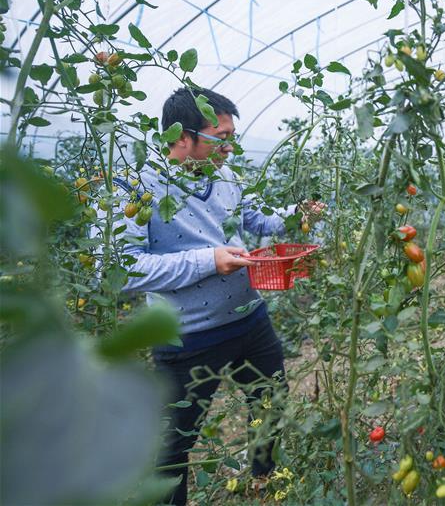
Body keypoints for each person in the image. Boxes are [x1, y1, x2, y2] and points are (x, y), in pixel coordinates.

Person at [116, 87, 322, 506]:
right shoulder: (137, 185)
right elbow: (121, 270)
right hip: (187, 336)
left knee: (270, 404)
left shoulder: (225, 175)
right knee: (175, 445)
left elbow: (256, 219)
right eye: (220, 137)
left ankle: (265, 480)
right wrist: (208, 260)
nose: (229, 147)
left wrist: (297, 216)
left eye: (232, 137)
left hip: (249, 319)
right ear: (181, 136)